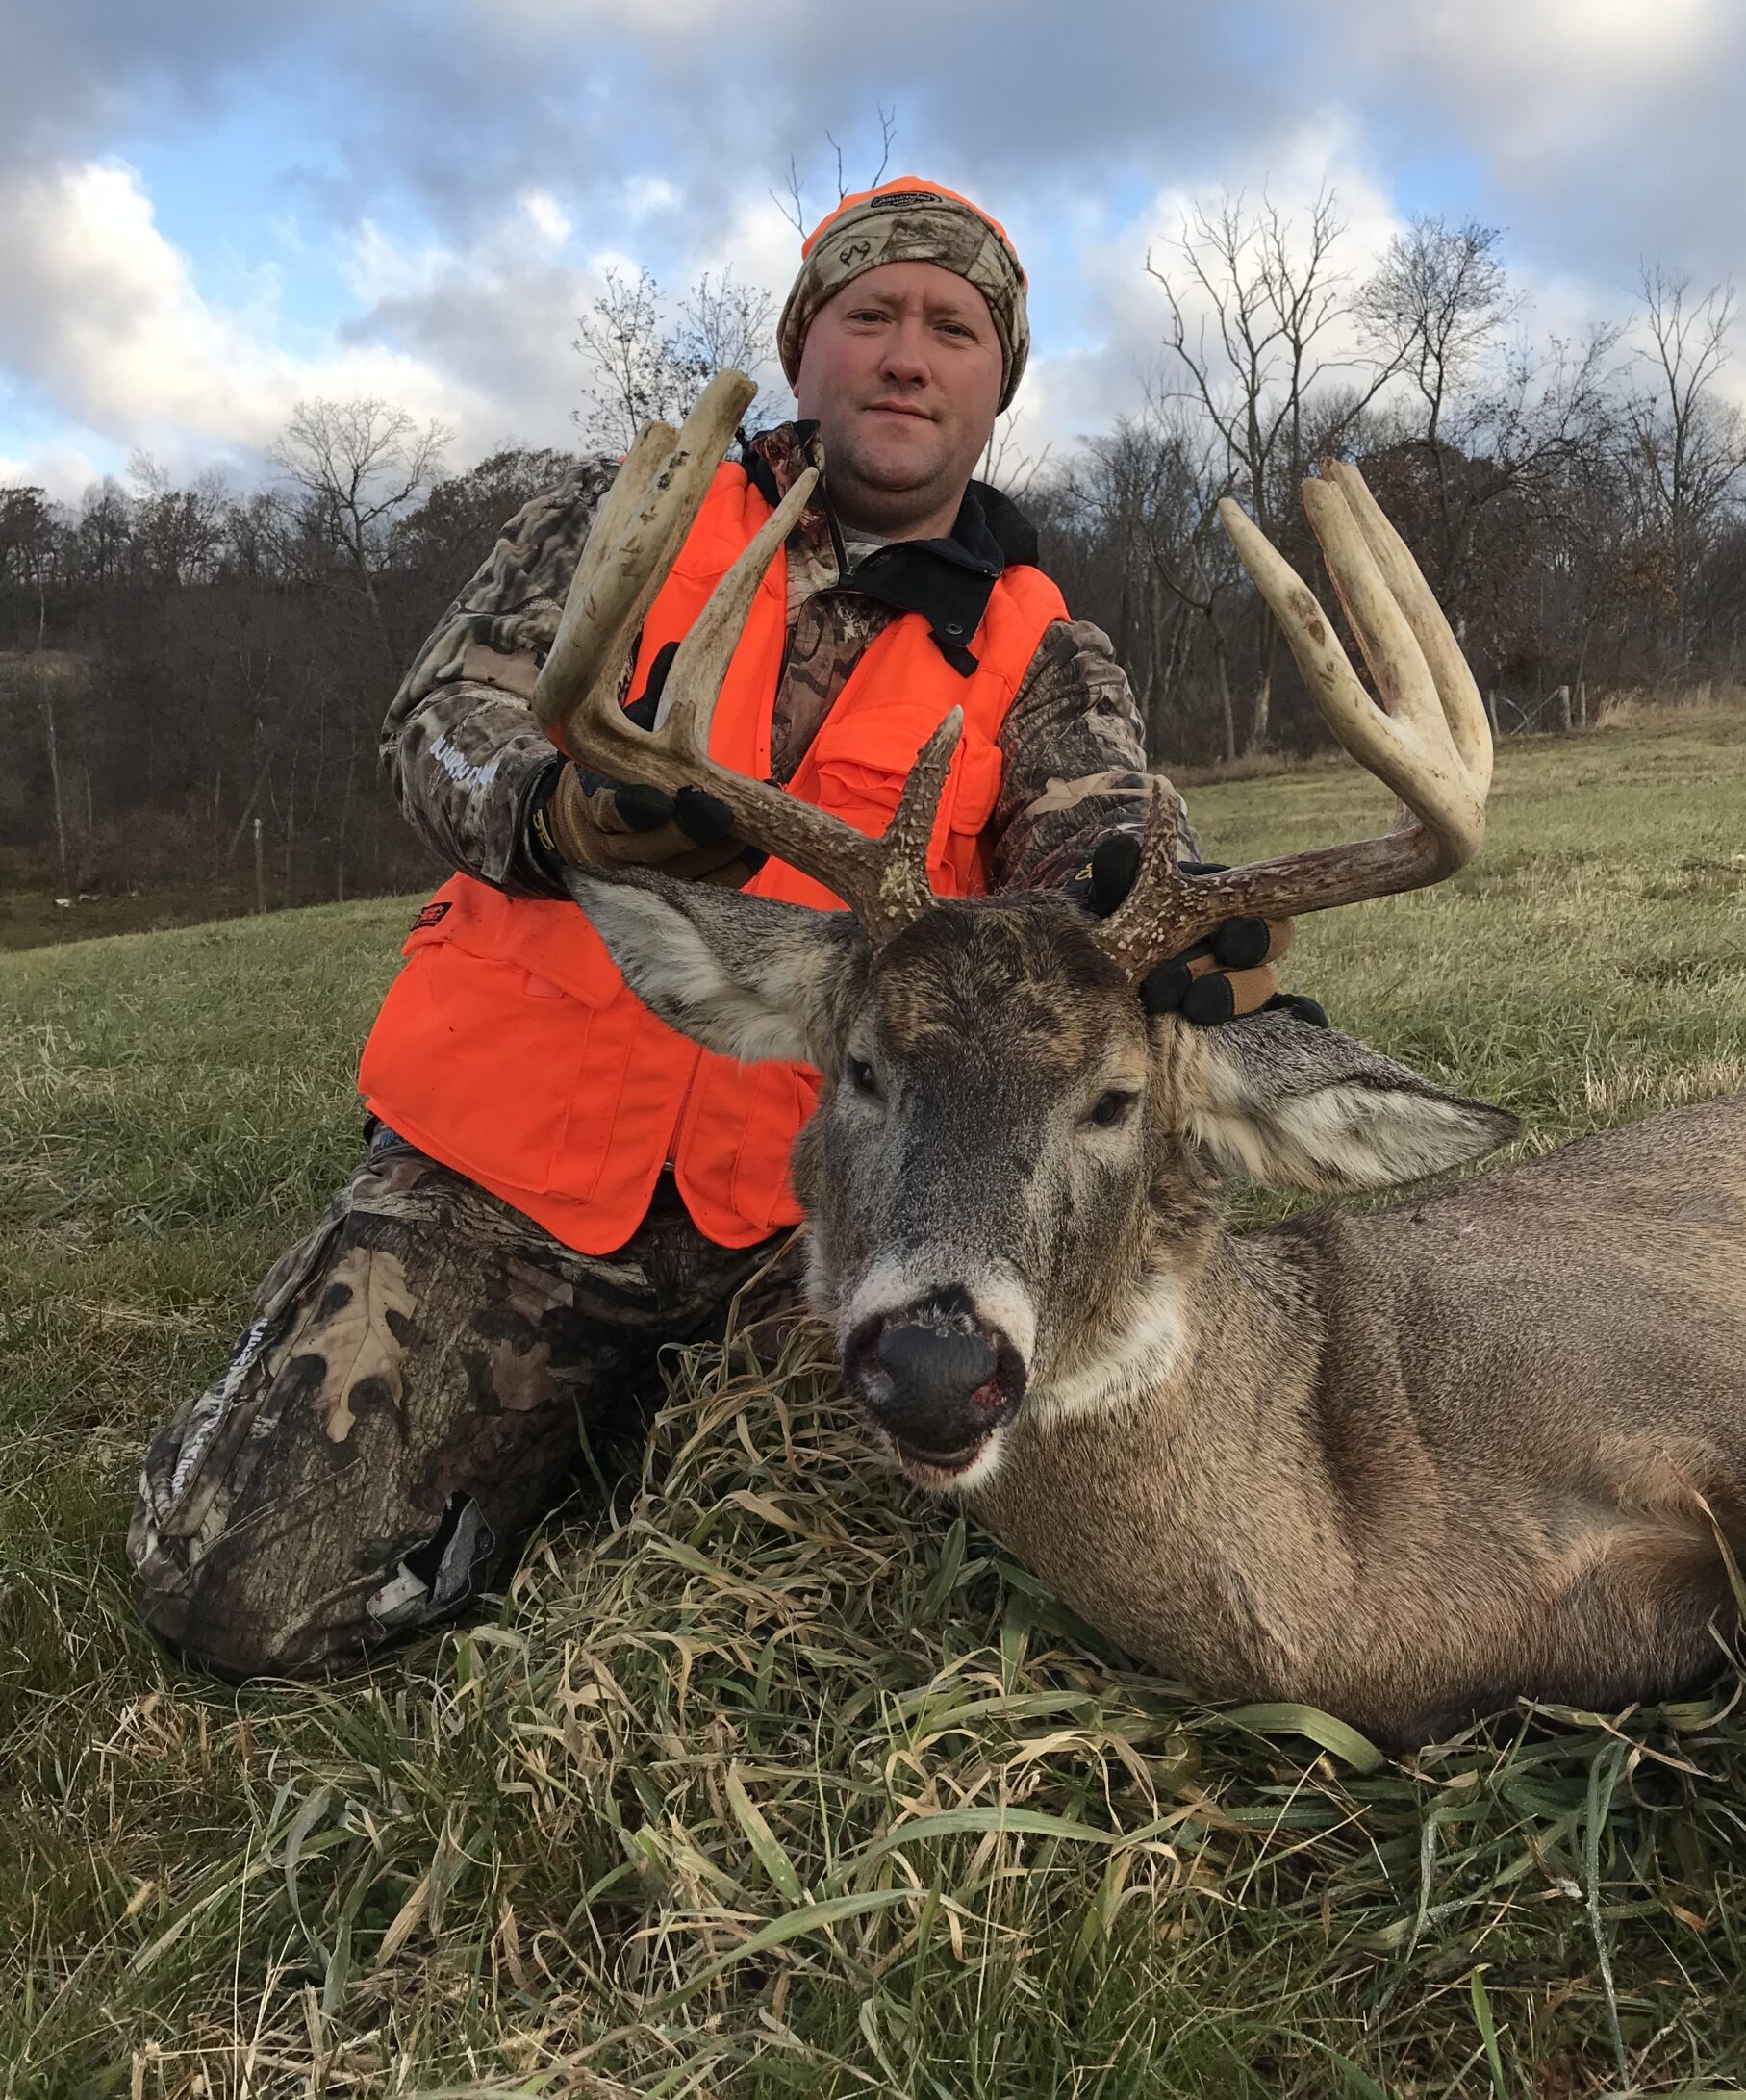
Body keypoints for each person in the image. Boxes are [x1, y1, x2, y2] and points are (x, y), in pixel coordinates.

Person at [128, 175, 1310, 1678]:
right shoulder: (628, 520)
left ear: (996, 385)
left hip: (827, 1214)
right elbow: (441, 719)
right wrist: (561, 811)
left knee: (935, 1595)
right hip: (505, 1174)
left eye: (953, 330)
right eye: (870, 315)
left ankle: (606, 1431)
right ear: (802, 347)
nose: (907, 355)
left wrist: (1163, 930)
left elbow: (1097, 842)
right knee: (238, 1602)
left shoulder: (1044, 649)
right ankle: (459, 1424)